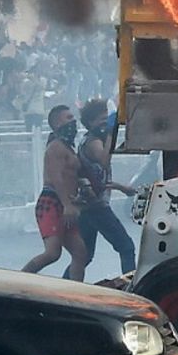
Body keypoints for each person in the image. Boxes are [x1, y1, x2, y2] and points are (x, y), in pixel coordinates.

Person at [66, 99, 138, 278]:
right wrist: (111, 134)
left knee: (85, 255)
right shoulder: (92, 142)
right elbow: (104, 162)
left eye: (107, 120)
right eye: (102, 120)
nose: (105, 124)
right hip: (96, 206)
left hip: (89, 203)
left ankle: (64, 285)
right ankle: (131, 286)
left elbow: (99, 178)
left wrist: (122, 188)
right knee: (126, 247)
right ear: (91, 122)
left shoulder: (91, 140)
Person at [21, 105, 91, 281]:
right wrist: (67, 204)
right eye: (69, 118)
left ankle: (76, 290)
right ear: (58, 123)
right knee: (52, 253)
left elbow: (73, 176)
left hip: (65, 203)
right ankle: (19, 280)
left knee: (80, 252)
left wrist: (83, 190)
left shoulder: (68, 148)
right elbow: (56, 178)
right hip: (52, 202)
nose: (73, 122)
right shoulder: (55, 147)